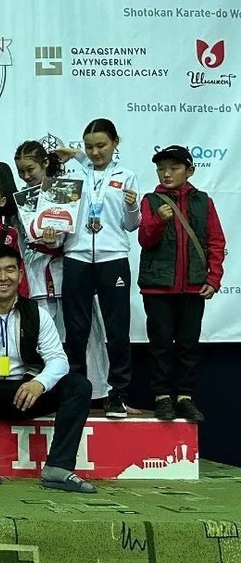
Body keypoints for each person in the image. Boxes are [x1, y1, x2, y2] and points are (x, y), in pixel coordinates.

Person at [0, 244, 95, 493]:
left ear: (20, 274)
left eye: (10, 270)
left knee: (79, 385)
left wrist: (39, 383)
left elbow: (58, 359)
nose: (3, 277)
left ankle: (58, 466)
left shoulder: (37, 313)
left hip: (25, 392)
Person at [13, 141, 111, 400]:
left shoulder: (67, 190)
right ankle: (46, 392)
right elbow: (22, 240)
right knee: (41, 336)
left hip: (70, 268)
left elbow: (98, 177)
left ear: (45, 163)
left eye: (30, 169)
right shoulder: (21, 198)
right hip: (36, 271)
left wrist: (78, 155)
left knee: (85, 332)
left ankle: (97, 391)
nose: (26, 175)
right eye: (21, 171)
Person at [57, 118, 140, 418]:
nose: (95, 152)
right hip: (76, 255)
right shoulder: (74, 174)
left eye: (102, 146)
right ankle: (76, 391)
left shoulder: (127, 176)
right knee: (76, 329)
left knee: (117, 329)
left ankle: (118, 394)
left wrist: (131, 206)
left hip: (112, 257)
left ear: (115, 143)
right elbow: (60, 212)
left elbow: (131, 224)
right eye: (89, 147)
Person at [138, 145, 226, 422]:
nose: (166, 173)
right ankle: (162, 397)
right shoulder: (150, 200)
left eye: (173, 168)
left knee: (188, 344)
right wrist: (159, 222)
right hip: (157, 288)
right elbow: (145, 240)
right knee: (160, 343)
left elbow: (216, 241)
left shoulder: (204, 201)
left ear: (190, 171)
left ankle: (185, 397)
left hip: (193, 286)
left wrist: (213, 277)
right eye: (161, 169)